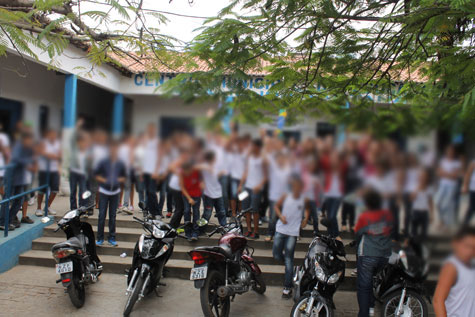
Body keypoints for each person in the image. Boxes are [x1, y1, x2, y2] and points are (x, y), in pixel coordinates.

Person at [354, 190, 394, 317]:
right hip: (384, 256)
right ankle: (371, 305)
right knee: (371, 280)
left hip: (367, 254)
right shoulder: (388, 215)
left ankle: (364, 314)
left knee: (364, 287)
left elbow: (358, 233)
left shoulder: (365, 216)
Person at [272, 175, 309, 299]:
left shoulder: (304, 198)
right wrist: (281, 216)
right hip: (281, 229)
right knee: (276, 255)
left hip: (293, 233)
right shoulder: (286, 195)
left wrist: (306, 218)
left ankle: (287, 288)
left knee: (288, 259)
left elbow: (308, 209)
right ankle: (290, 270)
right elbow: (276, 206)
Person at [433, 226, 475, 317]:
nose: (470, 251)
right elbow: (438, 300)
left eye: (473, 248)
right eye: (467, 246)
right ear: (456, 244)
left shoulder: (472, 266)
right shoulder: (452, 267)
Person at [0, 132, 35, 231]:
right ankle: (3, 222)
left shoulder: (27, 149)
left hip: (20, 178)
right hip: (12, 177)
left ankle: (9, 220)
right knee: (7, 199)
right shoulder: (18, 147)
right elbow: (16, 159)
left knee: (20, 199)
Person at [94, 141, 126, 247]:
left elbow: (124, 176)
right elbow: (96, 175)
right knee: (102, 215)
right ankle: (100, 238)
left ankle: (112, 238)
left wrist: (117, 180)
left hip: (115, 192)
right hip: (104, 191)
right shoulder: (103, 162)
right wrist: (104, 180)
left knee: (113, 216)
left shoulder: (120, 163)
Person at [239, 138, 267, 239]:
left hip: (256, 188)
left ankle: (256, 231)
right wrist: (240, 185)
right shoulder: (249, 157)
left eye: (254, 146)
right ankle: (249, 230)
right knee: (246, 209)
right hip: (247, 187)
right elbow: (246, 171)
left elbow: (266, 175)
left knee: (255, 210)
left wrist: (260, 185)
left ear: (258, 147)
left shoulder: (263, 158)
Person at [435, 145, 462, 229]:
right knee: (437, 202)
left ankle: (446, 223)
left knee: (447, 204)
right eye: (448, 151)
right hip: (442, 184)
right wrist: (448, 174)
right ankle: (442, 220)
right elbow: (438, 173)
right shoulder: (443, 161)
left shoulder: (457, 163)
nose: (450, 152)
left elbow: (455, 176)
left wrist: (444, 173)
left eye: (451, 151)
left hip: (452, 185)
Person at [35, 129, 61, 216]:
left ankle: (47, 206)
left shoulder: (57, 143)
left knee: (55, 189)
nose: (53, 136)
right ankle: (38, 208)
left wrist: (51, 156)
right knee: (42, 190)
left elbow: (60, 155)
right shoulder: (43, 142)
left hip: (54, 169)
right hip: (44, 169)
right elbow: (41, 152)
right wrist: (52, 155)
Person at [197, 150, 227, 226]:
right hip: (208, 194)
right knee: (207, 213)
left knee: (222, 212)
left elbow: (224, 171)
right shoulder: (204, 166)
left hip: (218, 193)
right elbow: (195, 168)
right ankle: (201, 228)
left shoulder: (218, 166)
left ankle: (224, 227)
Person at [69, 119, 90, 210]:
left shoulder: (88, 151)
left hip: (83, 174)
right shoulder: (75, 149)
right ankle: (73, 208)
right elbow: (72, 138)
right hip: (73, 172)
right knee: (73, 190)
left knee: (83, 190)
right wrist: (77, 126)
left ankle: (82, 206)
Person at [141, 123, 161, 218]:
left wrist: (157, 171)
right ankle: (150, 211)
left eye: (152, 129)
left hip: (153, 171)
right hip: (145, 170)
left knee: (152, 192)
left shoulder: (157, 141)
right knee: (148, 192)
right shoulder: (145, 141)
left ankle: (157, 212)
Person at [180, 160, 202, 241]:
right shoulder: (181, 173)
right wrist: (189, 198)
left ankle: (195, 232)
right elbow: (182, 187)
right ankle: (187, 232)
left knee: (196, 212)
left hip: (196, 194)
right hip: (186, 195)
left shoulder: (197, 171)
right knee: (186, 211)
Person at [410, 168, 434, 239]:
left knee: (424, 232)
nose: (422, 179)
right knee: (414, 232)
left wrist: (432, 214)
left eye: (424, 177)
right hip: (416, 211)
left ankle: (422, 244)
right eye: (421, 177)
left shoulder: (429, 188)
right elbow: (411, 198)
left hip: (424, 212)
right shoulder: (414, 187)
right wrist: (417, 189)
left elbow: (430, 202)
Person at [462, 158, 475, 224]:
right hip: (473, 188)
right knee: (472, 207)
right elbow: (468, 174)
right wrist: (465, 185)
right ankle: (465, 224)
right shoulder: (473, 162)